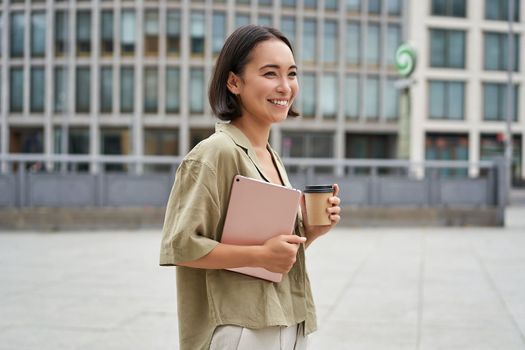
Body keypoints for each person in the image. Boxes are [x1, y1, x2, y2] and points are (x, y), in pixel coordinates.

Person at [159, 25, 341, 350]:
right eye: (270, 74)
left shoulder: (270, 156)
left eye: (292, 74)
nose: (285, 86)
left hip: (288, 317)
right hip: (239, 327)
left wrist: (311, 231)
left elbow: (275, 258)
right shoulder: (215, 152)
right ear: (234, 82)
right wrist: (260, 255)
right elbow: (181, 244)